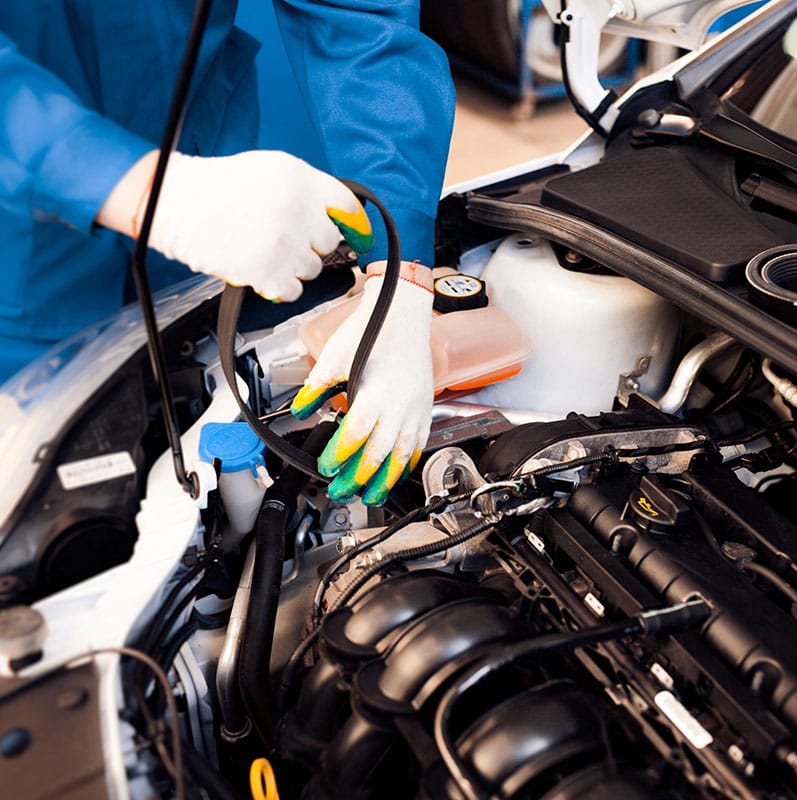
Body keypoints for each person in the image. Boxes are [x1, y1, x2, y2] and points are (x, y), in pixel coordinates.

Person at [0, 0, 455, 505]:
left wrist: (403, 276)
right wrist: (139, 189)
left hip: (207, 230)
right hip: (21, 260)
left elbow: (360, 19)